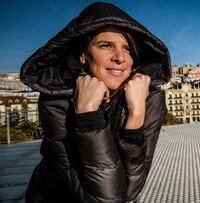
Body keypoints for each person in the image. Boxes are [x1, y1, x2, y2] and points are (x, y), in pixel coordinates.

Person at [20, 2, 171, 202]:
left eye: (127, 49)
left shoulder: (148, 97)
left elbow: (131, 188)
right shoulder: (58, 99)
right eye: (105, 45)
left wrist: (136, 114)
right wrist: (88, 114)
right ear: (83, 56)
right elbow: (106, 198)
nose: (120, 57)